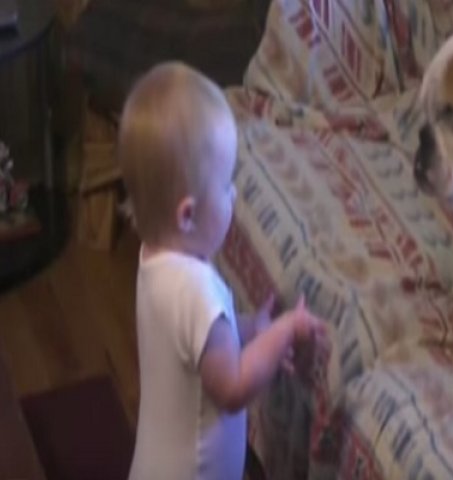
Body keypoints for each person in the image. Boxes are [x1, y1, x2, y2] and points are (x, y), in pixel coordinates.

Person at [118, 61, 328, 480]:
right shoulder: (197, 291)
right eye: (226, 184)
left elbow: (198, 344)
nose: (234, 194)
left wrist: (252, 328)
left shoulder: (154, 261)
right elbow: (232, 389)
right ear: (188, 215)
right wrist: (282, 333)